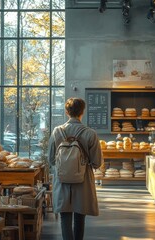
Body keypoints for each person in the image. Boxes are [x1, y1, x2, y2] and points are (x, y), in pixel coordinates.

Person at [47, 97, 103, 240]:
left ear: (67, 112)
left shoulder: (57, 132)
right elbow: (97, 163)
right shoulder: (90, 133)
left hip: (62, 180)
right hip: (83, 181)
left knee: (65, 218)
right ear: (82, 112)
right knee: (80, 217)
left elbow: (51, 159)